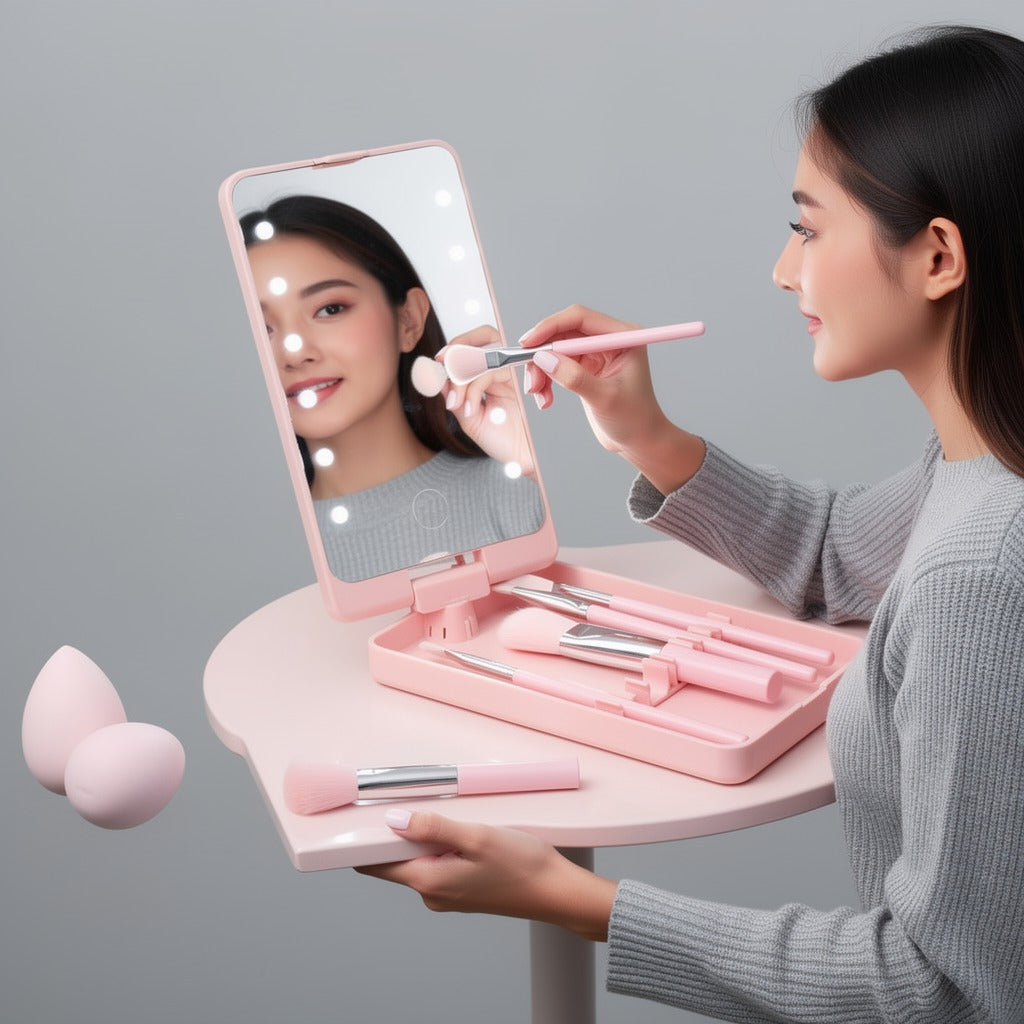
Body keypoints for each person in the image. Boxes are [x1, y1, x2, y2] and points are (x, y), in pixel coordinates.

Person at [356, 25, 1024, 1021]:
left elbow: (944, 991)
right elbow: (839, 557)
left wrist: (575, 901)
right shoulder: (977, 470)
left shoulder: (982, 573)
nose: (782, 271)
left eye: (807, 228)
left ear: (936, 256)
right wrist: (646, 434)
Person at [240, 196, 545, 582]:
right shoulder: (254, 549)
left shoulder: (515, 496)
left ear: (409, 320)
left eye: (329, 309)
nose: (294, 352)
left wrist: (529, 469)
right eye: (260, 326)